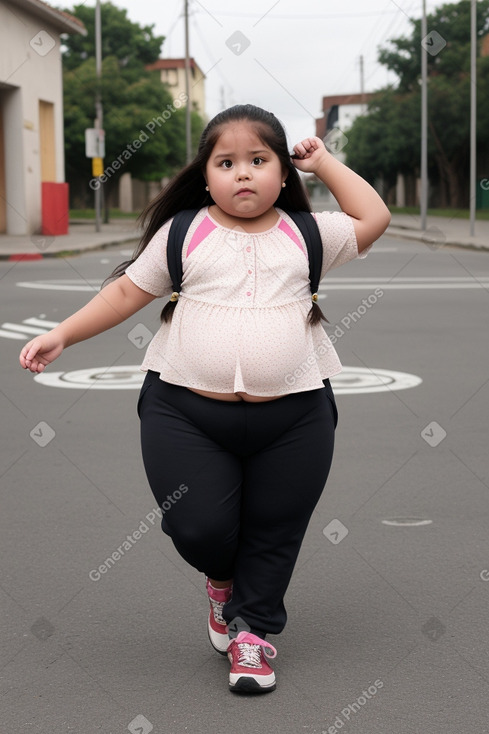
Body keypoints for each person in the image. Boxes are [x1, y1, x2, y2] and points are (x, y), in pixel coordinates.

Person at [19, 104, 390, 694]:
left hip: (295, 417)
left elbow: (374, 214)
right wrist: (63, 332)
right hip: (185, 412)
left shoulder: (310, 232)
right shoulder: (184, 233)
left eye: (259, 160)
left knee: (275, 530)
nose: (243, 173)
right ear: (207, 173)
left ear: (283, 174)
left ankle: (253, 634)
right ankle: (222, 581)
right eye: (227, 162)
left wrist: (324, 162)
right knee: (198, 528)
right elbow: (122, 295)